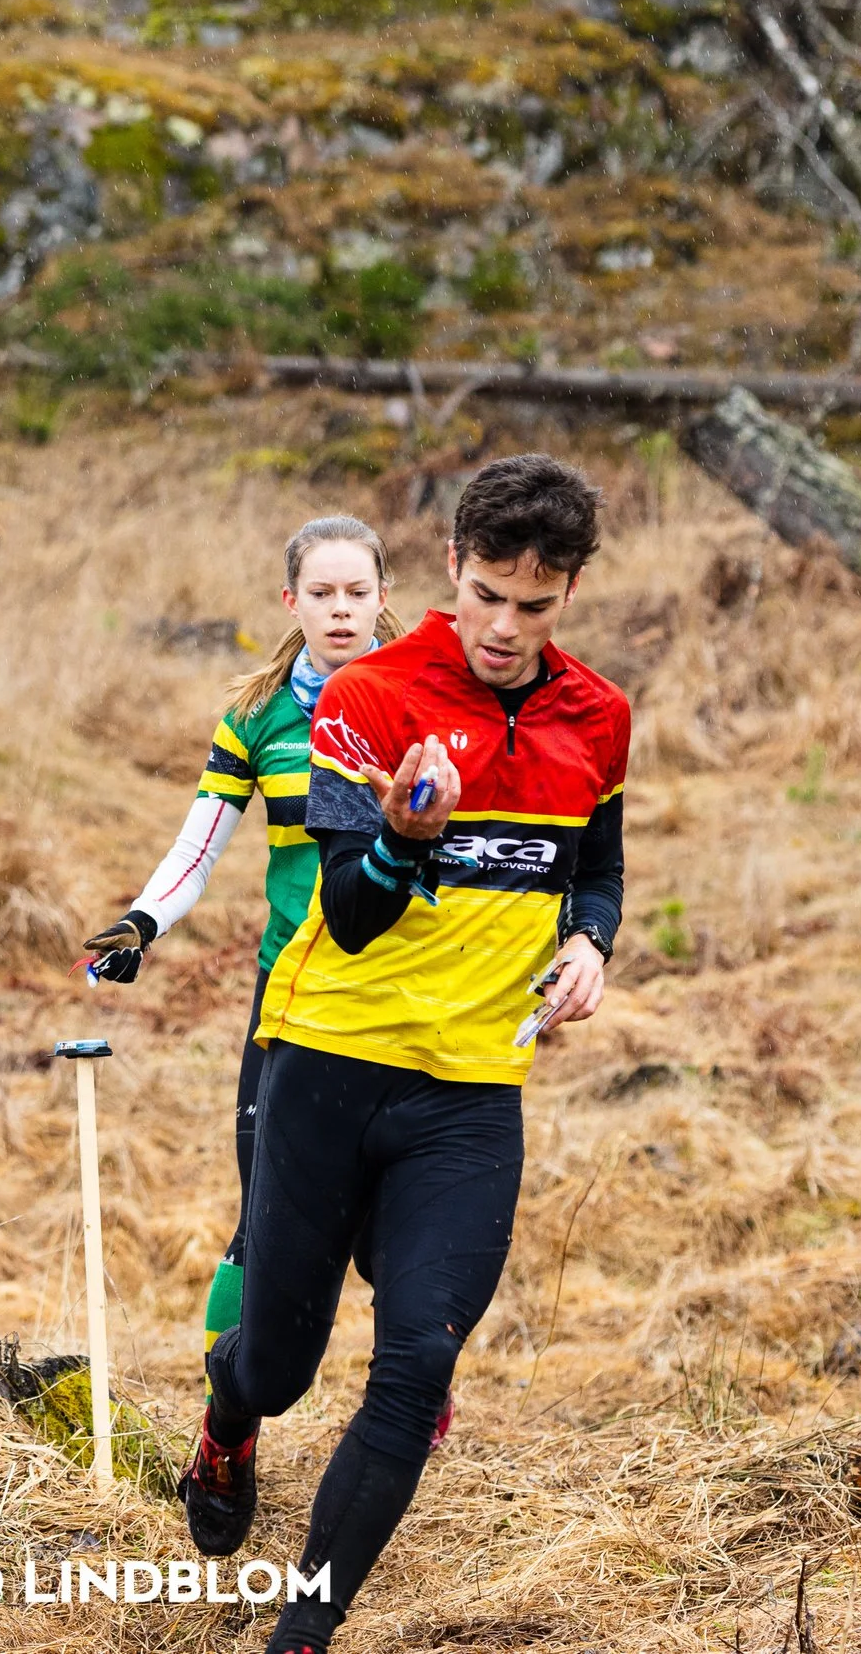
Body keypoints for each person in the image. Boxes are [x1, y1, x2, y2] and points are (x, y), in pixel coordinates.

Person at [178, 455, 630, 1654]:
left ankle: (302, 1633)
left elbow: (598, 865)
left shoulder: (598, 716)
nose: (502, 626)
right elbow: (352, 905)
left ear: (567, 593)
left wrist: (590, 941)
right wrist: (402, 837)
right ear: (449, 570)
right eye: (485, 594)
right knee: (277, 1363)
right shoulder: (369, 695)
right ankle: (229, 1417)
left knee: (415, 1366)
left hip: (473, 1092)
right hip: (326, 1064)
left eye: (532, 606)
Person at [80, 516, 406, 1363]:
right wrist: (142, 921)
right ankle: (226, 1420)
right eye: (323, 594)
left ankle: (416, 1372)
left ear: (384, 596)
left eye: (358, 593)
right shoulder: (258, 719)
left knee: (389, 1223)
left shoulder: (424, 700)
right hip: (292, 987)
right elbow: (200, 843)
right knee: (260, 1205)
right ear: (291, 600)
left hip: (402, 985)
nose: (342, 611)